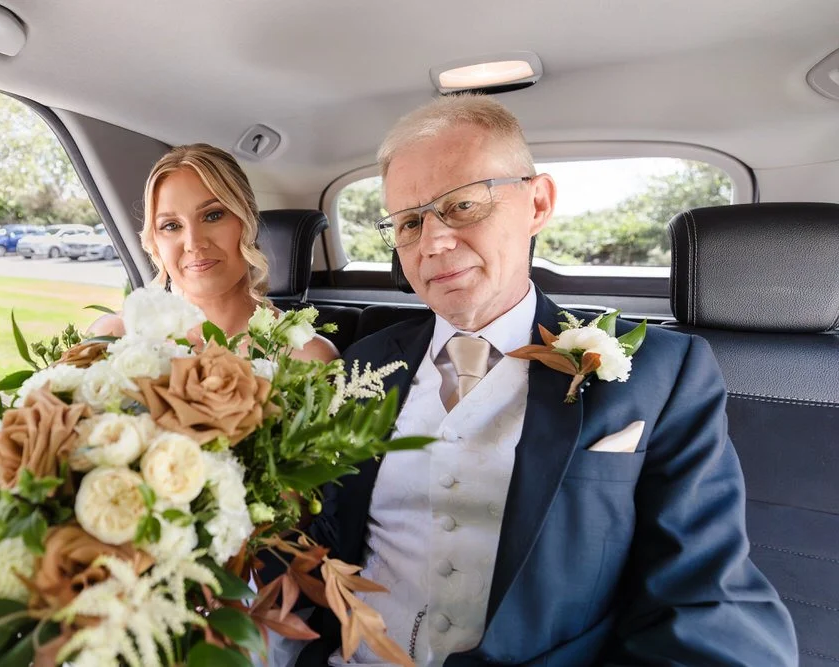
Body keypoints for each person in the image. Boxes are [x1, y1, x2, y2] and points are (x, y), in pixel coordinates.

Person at [296, 95, 798, 666]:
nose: (433, 242)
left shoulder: (662, 372)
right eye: (409, 222)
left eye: (463, 205)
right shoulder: (362, 362)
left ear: (537, 203)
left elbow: (707, 599)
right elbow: (319, 533)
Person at [88, 143, 338, 363]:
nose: (194, 243)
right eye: (171, 226)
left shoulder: (306, 356)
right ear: (155, 241)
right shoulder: (114, 338)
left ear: (246, 221)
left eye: (213, 215)